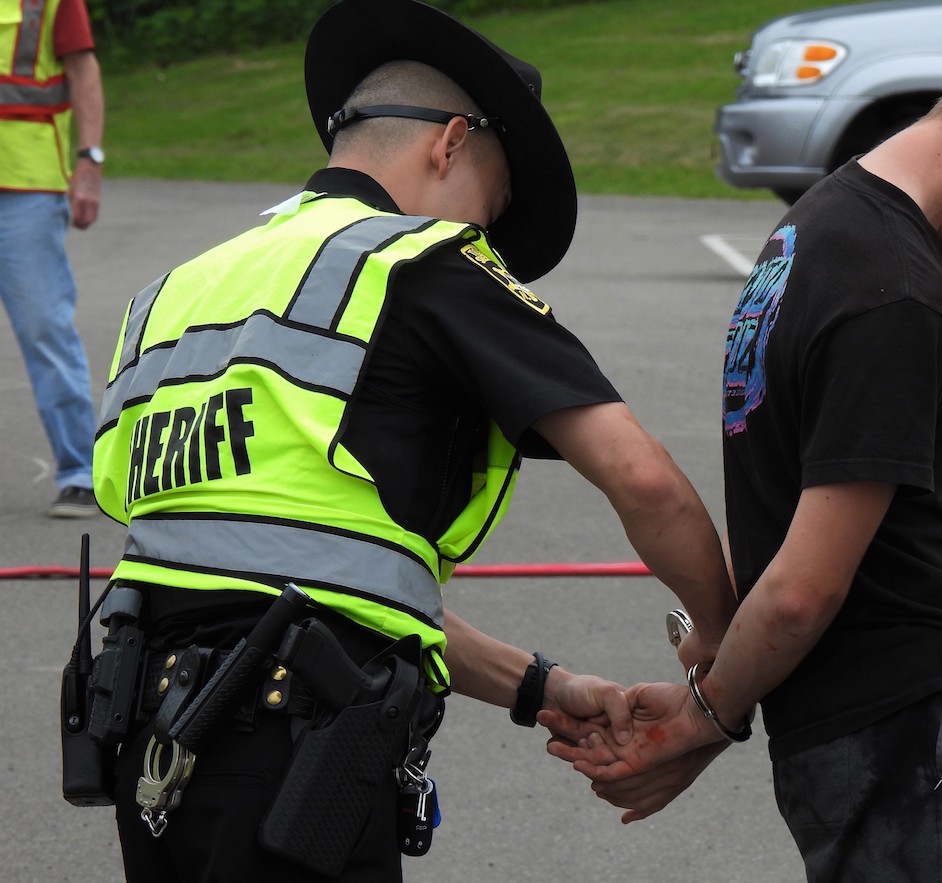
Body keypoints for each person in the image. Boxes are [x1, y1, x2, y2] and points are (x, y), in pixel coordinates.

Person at [85, 0, 734, 880]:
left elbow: (309, 577)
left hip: (154, 759)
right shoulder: (423, 262)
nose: (485, 237)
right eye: (492, 207)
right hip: (292, 765)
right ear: (451, 144)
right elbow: (644, 480)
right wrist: (721, 641)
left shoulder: (175, 293)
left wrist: (542, 686)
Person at [542, 20, 942, 883]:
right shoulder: (895, 292)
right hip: (915, 728)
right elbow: (800, 589)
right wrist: (703, 721)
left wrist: (711, 696)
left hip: (844, 727)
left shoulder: (811, 229)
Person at [0, 0, 104, 517]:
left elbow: (83, 69)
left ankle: (80, 472)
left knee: (44, 325)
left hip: (27, 182)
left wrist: (89, 161)